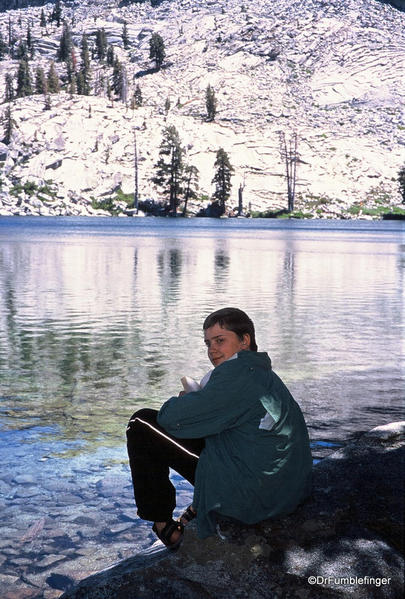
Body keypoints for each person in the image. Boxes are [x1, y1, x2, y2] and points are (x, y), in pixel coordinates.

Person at [126, 307, 312, 548]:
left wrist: (184, 401)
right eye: (208, 343)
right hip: (285, 490)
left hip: (255, 496)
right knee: (215, 429)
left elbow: (169, 418)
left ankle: (163, 524)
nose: (212, 349)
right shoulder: (260, 372)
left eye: (220, 340)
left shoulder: (236, 374)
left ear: (245, 340)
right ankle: (198, 505)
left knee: (141, 424)